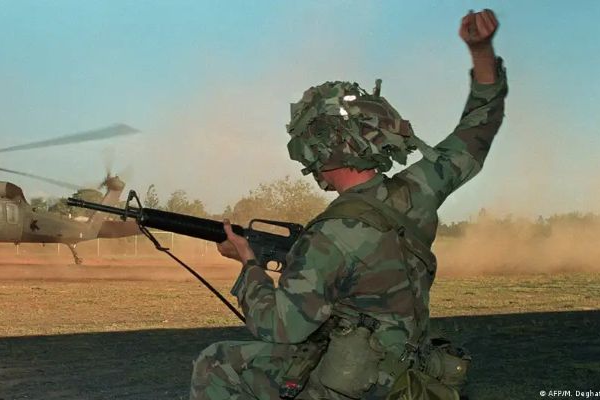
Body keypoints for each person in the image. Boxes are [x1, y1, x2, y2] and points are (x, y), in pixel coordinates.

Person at [191, 9, 505, 400]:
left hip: (358, 386)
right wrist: (481, 50)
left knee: (216, 362)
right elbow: (479, 127)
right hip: (412, 376)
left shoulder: (329, 236)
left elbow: (280, 327)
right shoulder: (418, 191)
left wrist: (248, 265)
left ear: (320, 149)